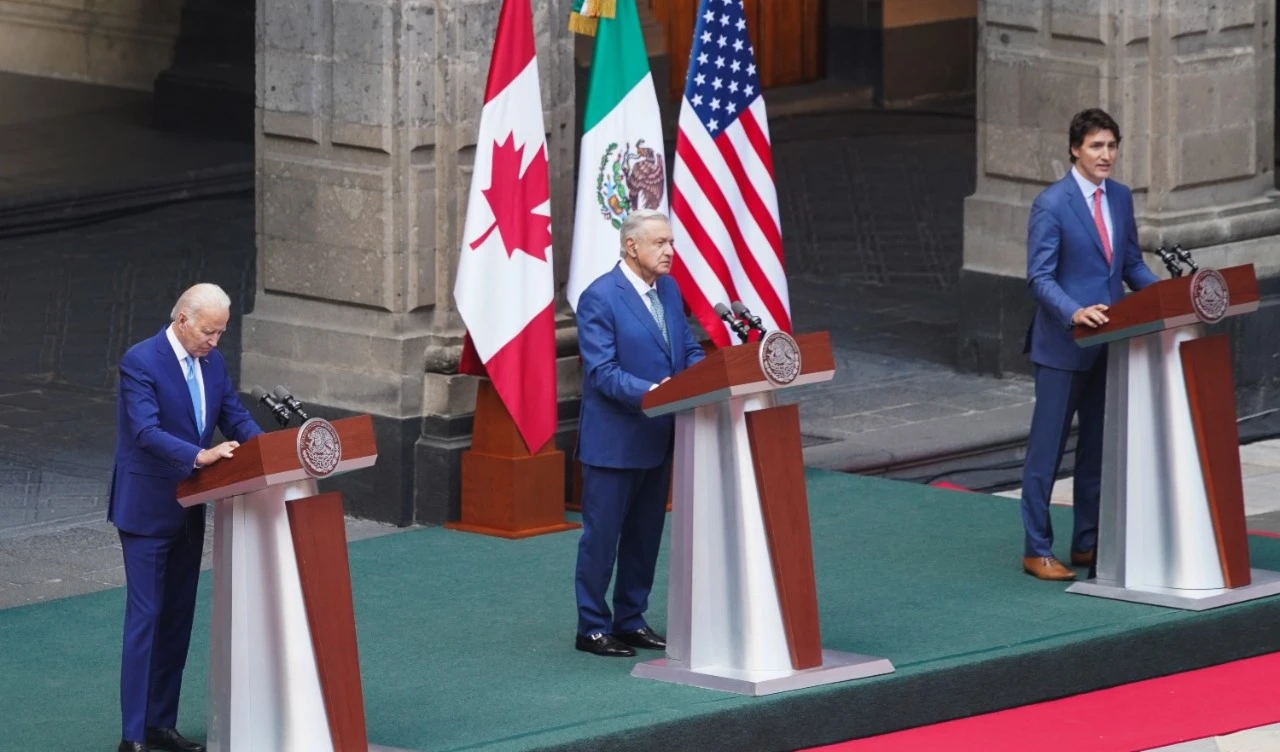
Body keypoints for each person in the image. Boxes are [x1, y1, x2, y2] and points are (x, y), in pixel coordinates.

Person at [109, 283, 263, 752]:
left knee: (177, 618)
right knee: (146, 617)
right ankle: (133, 735)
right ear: (182, 320)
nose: (215, 342)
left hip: (188, 509)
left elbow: (235, 417)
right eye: (208, 332)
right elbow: (145, 431)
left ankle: (161, 724)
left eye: (220, 333)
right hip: (147, 508)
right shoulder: (141, 361)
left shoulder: (212, 362)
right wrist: (202, 455)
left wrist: (271, 453)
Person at [1021, 108, 1159, 581]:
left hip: (1110, 344)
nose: (1106, 155)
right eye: (1097, 146)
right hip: (1063, 347)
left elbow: (1130, 265)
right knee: (1047, 452)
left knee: (1098, 451)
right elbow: (1038, 277)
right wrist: (1073, 311)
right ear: (1075, 149)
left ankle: (1087, 542)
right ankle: (1036, 548)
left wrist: (1163, 294)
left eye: (1112, 146)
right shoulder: (1052, 204)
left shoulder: (1120, 198)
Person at [572, 209, 706, 657]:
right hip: (615, 441)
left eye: (670, 242)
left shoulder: (668, 289)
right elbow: (603, 373)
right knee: (602, 537)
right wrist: (657, 391)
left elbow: (686, 348)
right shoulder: (599, 297)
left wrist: (705, 378)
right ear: (632, 247)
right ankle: (592, 627)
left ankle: (630, 620)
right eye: (660, 243)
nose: (670, 252)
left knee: (644, 536)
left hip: (659, 438)